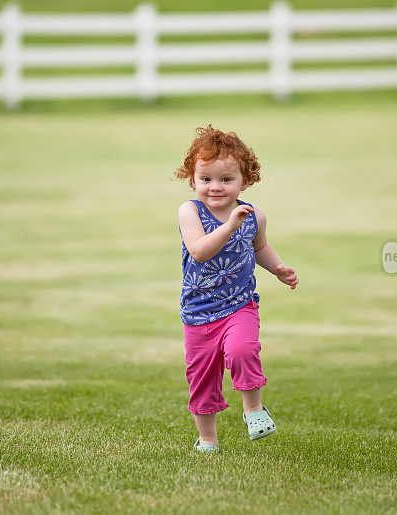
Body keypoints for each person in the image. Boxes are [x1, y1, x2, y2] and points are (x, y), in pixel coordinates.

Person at [173, 124, 299, 453]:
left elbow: (259, 248)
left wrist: (278, 269)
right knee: (201, 377)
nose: (215, 187)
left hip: (239, 305)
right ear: (193, 179)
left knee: (243, 350)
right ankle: (208, 439)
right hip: (199, 313)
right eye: (206, 179)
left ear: (245, 181)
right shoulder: (190, 212)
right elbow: (200, 250)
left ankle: (253, 410)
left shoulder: (253, 216)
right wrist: (229, 226)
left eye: (226, 180)